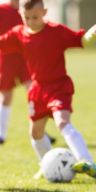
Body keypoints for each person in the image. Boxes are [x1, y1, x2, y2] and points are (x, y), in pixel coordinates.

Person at [0, 0, 96, 179]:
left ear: (44, 12)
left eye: (35, 17)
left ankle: (86, 161)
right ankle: (47, 165)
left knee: (62, 122)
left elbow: (80, 40)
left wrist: (91, 33)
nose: (30, 21)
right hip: (37, 90)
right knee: (35, 132)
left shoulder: (56, 31)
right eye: (26, 17)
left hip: (58, 86)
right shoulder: (19, 33)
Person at [0, 0, 56, 145]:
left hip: (26, 59)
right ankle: (1, 133)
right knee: (6, 96)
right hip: (6, 59)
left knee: (34, 94)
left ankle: (41, 132)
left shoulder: (27, 11)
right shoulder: (2, 9)